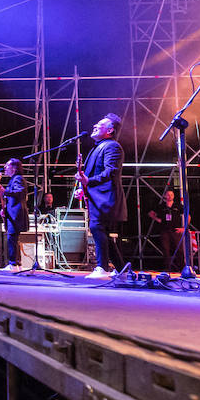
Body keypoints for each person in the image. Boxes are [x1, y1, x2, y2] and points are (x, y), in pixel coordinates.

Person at [76, 113, 127, 278]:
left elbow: (111, 171)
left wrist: (88, 181)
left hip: (105, 197)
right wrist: (83, 188)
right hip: (97, 197)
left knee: (97, 228)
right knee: (101, 231)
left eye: (100, 124)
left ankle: (102, 267)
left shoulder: (112, 146)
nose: (94, 126)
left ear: (110, 130)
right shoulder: (98, 147)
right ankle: (121, 269)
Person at [0, 158, 29, 270]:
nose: (5, 168)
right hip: (12, 212)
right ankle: (16, 263)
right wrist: (4, 208)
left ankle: (13, 264)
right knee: (13, 239)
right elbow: (11, 197)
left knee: (12, 238)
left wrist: (4, 191)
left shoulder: (18, 179)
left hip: (16, 213)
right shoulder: (13, 180)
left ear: (14, 168)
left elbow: (19, 193)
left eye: (7, 166)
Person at [146, 189, 186, 272]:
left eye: (171, 194)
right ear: (164, 196)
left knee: (179, 250)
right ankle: (167, 268)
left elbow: (188, 215)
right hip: (165, 230)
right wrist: (158, 220)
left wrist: (184, 227)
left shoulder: (178, 206)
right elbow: (150, 213)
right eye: (168, 194)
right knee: (165, 249)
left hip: (176, 230)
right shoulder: (161, 206)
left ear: (174, 196)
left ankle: (182, 268)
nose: (170, 196)